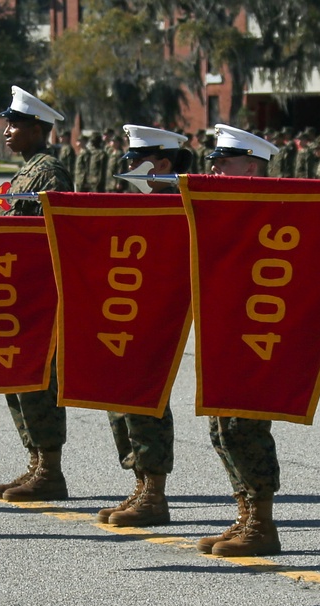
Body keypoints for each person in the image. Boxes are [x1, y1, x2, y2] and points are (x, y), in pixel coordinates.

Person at [0, 86, 75, 503]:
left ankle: (50, 471)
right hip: (20, 290)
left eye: (14, 124)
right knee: (17, 378)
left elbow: (45, 232)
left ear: (36, 128)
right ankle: (35, 461)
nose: (7, 131)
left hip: (39, 292)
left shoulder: (48, 171)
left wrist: (0, 211)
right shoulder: (27, 171)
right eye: (7, 123)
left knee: (37, 381)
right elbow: (15, 228)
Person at [192, 123, 283, 557]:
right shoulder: (224, 206)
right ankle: (245, 512)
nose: (215, 171)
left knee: (244, 425)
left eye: (223, 163)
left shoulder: (276, 207)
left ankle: (262, 523)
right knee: (221, 427)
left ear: (250, 167)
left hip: (256, 331)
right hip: (225, 328)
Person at [95, 125, 192, 528]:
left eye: (137, 160)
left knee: (146, 398)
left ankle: (154, 492)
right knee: (121, 397)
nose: (130, 167)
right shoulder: (138, 203)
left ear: (162, 164)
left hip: (158, 316)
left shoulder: (182, 205)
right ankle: (140, 483)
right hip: (126, 311)